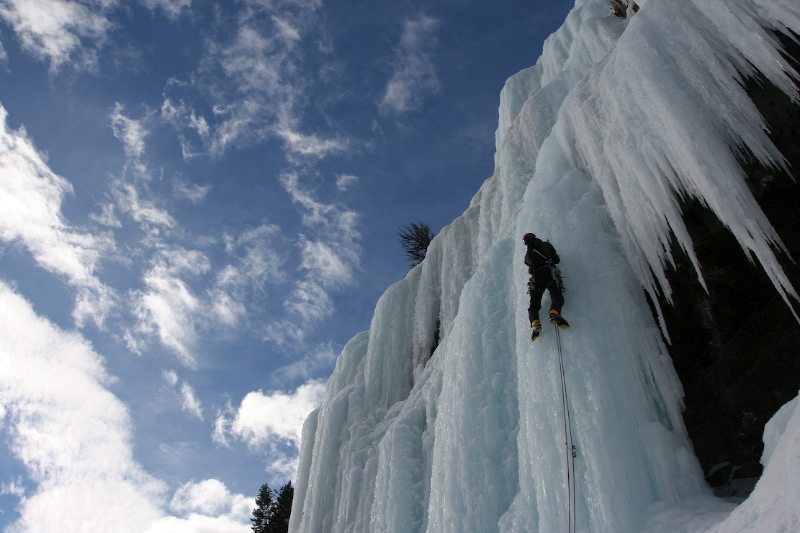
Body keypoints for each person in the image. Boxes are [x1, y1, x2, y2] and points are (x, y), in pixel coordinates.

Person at [523, 232, 569, 341]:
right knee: (555, 293)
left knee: (534, 304)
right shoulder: (546, 245)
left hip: (536, 279)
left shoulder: (527, 256)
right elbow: (557, 260)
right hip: (548, 272)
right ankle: (554, 312)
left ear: (526, 243)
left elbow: (530, 269)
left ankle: (535, 322)